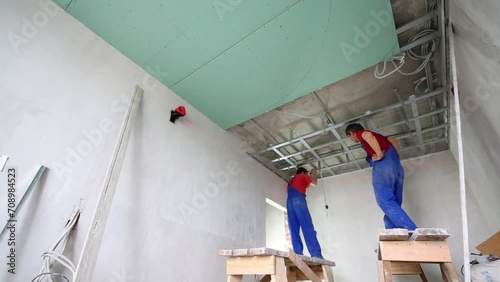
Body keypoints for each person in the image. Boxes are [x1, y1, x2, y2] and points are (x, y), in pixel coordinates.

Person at [345, 123, 417, 231]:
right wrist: (391, 158)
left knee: (384, 201)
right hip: (397, 168)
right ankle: (394, 233)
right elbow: (394, 141)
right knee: (394, 206)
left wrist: (379, 154)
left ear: (352, 133)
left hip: (384, 167)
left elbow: (368, 135)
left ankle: (412, 230)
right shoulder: (383, 138)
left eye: (349, 136)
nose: (351, 139)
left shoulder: (361, 134)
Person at [286, 167, 323, 258]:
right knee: (307, 227)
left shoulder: (291, 180)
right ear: (303, 172)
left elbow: (306, 186)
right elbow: (314, 183)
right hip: (298, 200)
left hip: (289, 203)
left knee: (294, 229)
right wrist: (313, 173)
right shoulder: (302, 175)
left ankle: (298, 254)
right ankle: (316, 254)